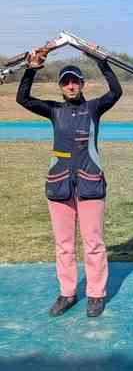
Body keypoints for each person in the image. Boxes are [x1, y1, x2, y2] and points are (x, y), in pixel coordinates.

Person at [16, 48, 123, 318]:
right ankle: (67, 293)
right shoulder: (54, 110)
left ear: (82, 84)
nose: (71, 86)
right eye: (66, 82)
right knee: (64, 245)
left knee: (93, 243)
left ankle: (96, 294)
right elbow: (23, 98)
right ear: (61, 86)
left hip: (91, 185)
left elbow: (116, 92)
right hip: (59, 185)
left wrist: (101, 61)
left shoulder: (94, 108)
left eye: (75, 81)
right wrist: (32, 68)